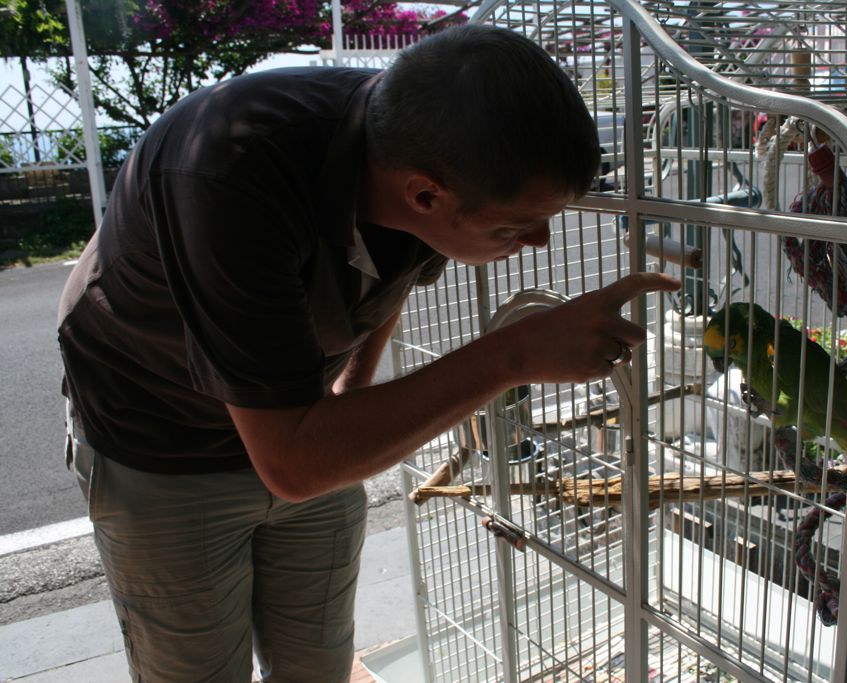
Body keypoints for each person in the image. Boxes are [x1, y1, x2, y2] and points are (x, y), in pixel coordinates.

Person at [58, 24, 679, 682]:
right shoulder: (230, 173)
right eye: (513, 225)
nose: (539, 243)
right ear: (426, 194)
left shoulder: (416, 141)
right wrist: (514, 354)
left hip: (295, 419)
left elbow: (391, 279)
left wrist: (350, 398)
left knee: (318, 664)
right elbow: (295, 464)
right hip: (160, 442)